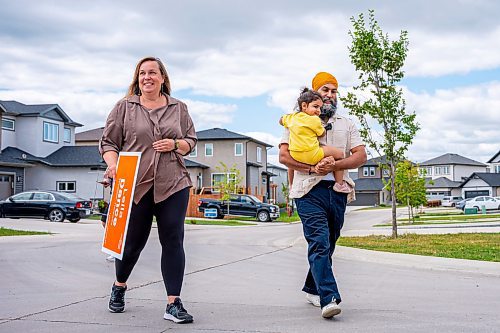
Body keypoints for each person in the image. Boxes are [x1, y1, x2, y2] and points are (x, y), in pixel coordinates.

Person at [99, 56, 197, 324]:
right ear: (137, 78)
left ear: (163, 77)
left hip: (173, 182)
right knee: (132, 245)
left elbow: (191, 141)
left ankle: (173, 303)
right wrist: (114, 165)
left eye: (153, 72)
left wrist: (175, 145)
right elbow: (108, 143)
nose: (147, 77)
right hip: (135, 184)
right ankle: (119, 286)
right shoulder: (124, 107)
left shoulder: (179, 108)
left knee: (173, 240)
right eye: (142, 73)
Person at [279, 71, 367, 319]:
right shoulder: (296, 120)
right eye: (325, 90)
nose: (329, 95)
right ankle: (328, 298)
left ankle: (312, 287)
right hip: (308, 191)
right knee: (319, 243)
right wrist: (309, 171)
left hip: (337, 192)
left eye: (333, 91)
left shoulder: (346, 123)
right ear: (313, 94)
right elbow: (284, 158)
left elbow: (360, 156)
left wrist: (334, 166)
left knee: (328, 244)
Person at [279, 87, 351, 193]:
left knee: (328, 155)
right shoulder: (314, 119)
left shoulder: (291, 118)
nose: (318, 111)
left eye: (320, 108)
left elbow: (281, 120)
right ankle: (339, 183)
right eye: (315, 107)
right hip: (312, 153)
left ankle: (292, 186)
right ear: (304, 106)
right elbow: (321, 133)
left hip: (295, 155)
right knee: (339, 154)